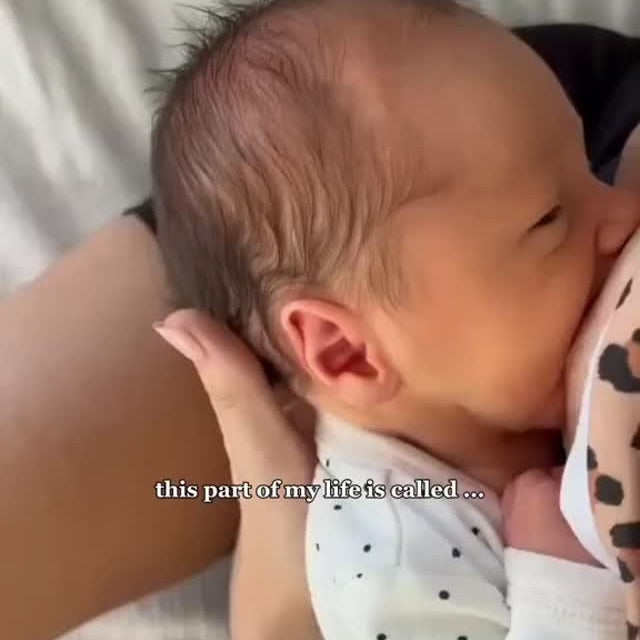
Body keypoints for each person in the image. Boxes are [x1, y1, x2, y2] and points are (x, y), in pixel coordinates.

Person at [3, 7, 640, 640]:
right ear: (346, 353)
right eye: (549, 221)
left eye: (589, 165)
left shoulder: (470, 375)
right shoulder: (393, 559)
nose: (621, 214)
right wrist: (565, 594)